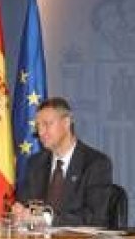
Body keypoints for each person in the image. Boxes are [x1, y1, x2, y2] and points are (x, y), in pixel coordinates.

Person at [13, 97, 112, 226]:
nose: (41, 132)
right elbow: (25, 203)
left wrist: (47, 219)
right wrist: (20, 213)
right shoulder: (35, 163)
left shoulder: (96, 164)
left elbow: (94, 217)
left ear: (66, 123)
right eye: (38, 126)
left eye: (47, 124)